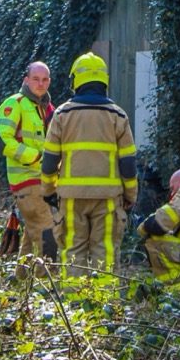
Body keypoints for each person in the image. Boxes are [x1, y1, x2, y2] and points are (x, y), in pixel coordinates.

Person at [40, 52, 138, 279]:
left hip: (72, 198)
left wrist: (48, 192)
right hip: (108, 199)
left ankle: (75, 308)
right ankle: (101, 308)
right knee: (104, 252)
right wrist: (130, 195)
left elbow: (50, 160)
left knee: (73, 250)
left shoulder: (62, 114)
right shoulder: (117, 115)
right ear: (104, 80)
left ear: (76, 81)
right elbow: (128, 163)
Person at [0, 61, 58, 270]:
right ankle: (48, 286)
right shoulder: (15, 103)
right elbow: (1, 139)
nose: (40, 83)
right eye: (36, 79)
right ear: (26, 80)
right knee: (48, 234)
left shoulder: (48, 108)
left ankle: (21, 282)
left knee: (31, 236)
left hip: (46, 181)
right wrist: (33, 157)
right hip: (26, 180)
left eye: (45, 79)